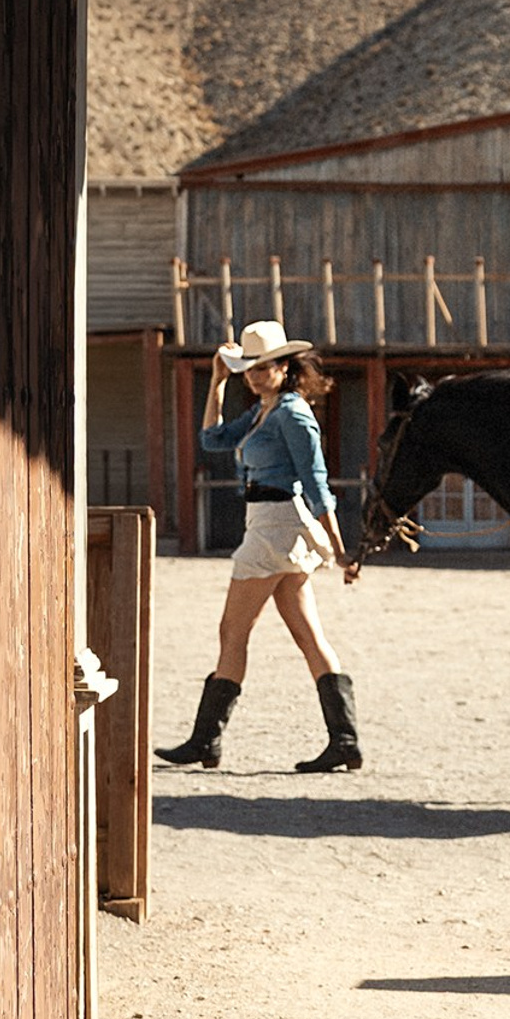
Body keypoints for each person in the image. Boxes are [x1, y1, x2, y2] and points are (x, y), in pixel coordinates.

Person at [154, 317, 364, 775]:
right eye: (248, 366)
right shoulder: (262, 411)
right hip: (269, 525)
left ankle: (206, 741)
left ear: (286, 367)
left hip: (276, 526)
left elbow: (316, 482)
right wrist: (216, 380)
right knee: (308, 636)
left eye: (263, 365)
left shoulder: (292, 412)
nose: (254, 373)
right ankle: (344, 742)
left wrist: (340, 547)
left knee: (233, 629)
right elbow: (212, 439)